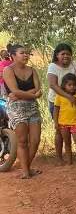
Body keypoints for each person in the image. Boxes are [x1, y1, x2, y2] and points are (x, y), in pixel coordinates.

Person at [2, 44, 42, 179]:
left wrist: (21, 94)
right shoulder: (8, 70)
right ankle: (25, 171)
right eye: (22, 53)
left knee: (35, 140)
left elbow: (38, 90)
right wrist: (33, 95)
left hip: (32, 107)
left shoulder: (32, 70)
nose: (26, 55)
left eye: (27, 53)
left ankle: (27, 167)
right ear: (13, 56)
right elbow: (15, 91)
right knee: (22, 140)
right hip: (16, 108)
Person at [47, 43, 76, 164]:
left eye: (68, 54)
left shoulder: (74, 64)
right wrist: (68, 97)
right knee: (59, 131)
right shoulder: (53, 66)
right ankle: (60, 158)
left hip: (75, 100)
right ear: (57, 55)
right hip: (57, 102)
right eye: (63, 54)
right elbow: (53, 85)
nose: (66, 56)